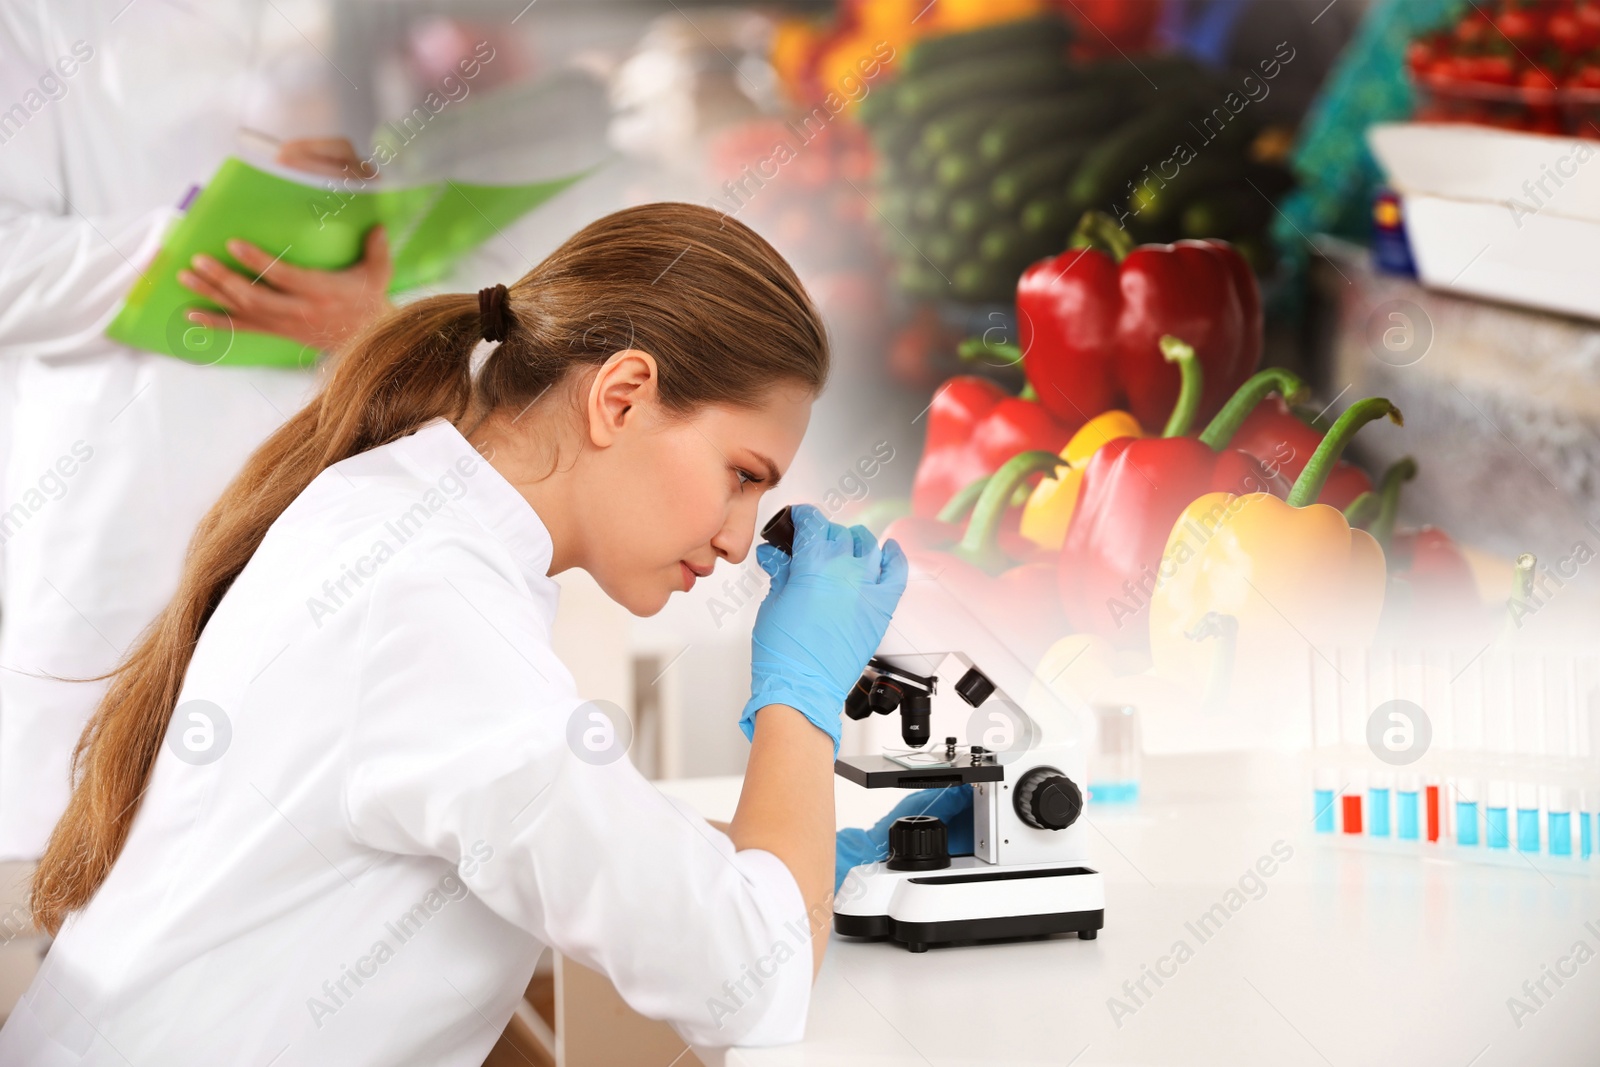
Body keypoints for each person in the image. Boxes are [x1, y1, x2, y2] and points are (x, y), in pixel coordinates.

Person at [0, 203, 908, 1063]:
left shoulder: (409, 520)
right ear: (622, 397)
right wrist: (802, 697)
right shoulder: (430, 606)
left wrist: (781, 858)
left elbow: (531, 823)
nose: (740, 536)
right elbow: (752, 978)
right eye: (742, 474)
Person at [0, 3, 397, 860]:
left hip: (307, 485)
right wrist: (213, 243)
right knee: (99, 864)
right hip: (115, 502)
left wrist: (328, 224)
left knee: (288, 857)